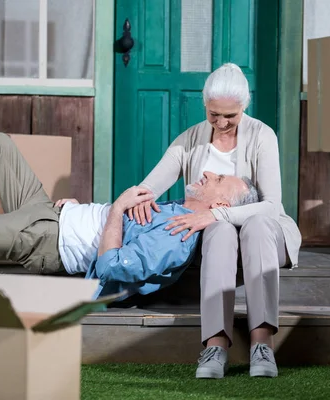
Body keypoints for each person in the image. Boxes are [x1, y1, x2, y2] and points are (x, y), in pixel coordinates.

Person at [0, 132, 258, 300]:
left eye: (220, 179)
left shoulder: (176, 236)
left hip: (45, 240)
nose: (210, 173)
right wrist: (85, 208)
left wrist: (118, 209)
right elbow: (109, 222)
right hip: (52, 212)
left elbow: (110, 267)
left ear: (221, 207)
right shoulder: (176, 209)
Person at [127, 63, 302, 379]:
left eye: (230, 116)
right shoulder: (190, 139)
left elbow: (271, 206)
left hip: (265, 231)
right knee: (219, 230)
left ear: (244, 106)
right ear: (205, 106)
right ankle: (215, 345)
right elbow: (148, 188)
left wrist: (217, 212)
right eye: (213, 114)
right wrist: (126, 204)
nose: (221, 122)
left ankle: (262, 344)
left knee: (255, 225)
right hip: (216, 233)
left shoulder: (262, 135)